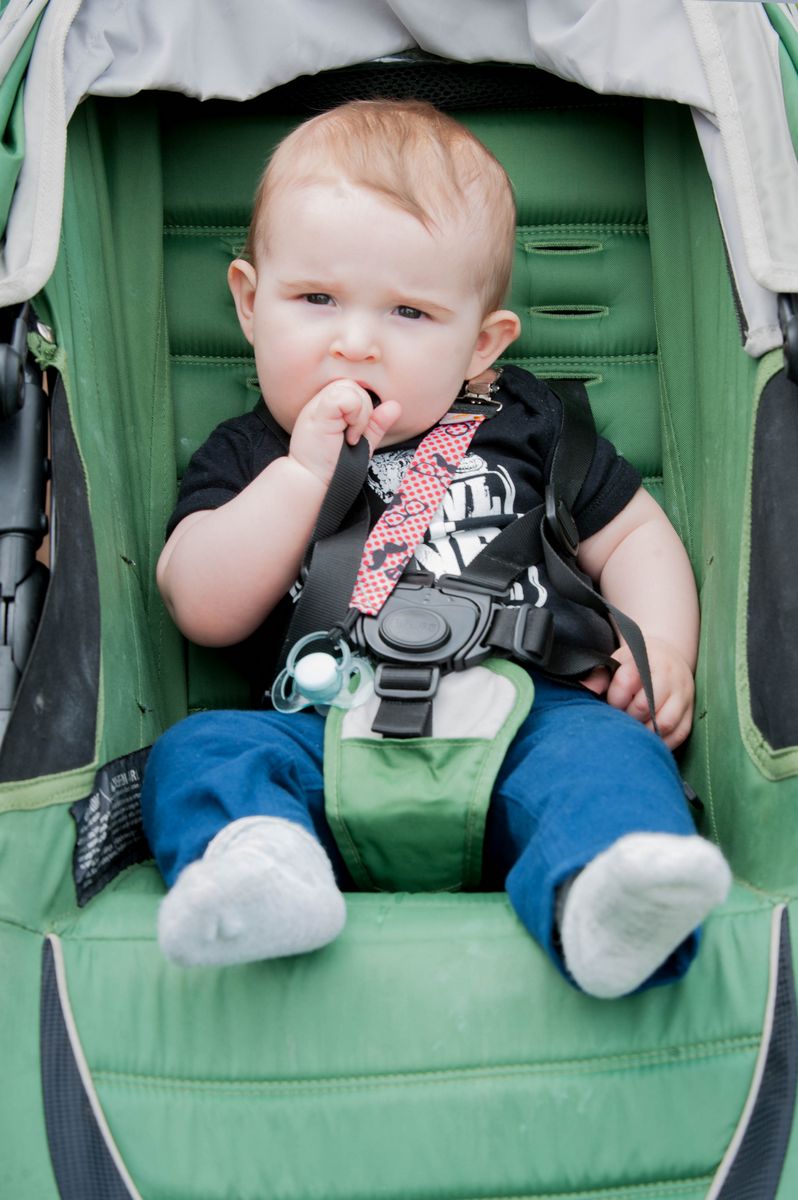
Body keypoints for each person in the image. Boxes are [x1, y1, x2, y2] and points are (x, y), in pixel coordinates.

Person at [141, 99, 730, 998]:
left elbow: (635, 533)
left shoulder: (522, 422)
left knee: (613, 762)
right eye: (315, 299)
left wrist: (661, 647)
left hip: (526, 722)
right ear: (250, 304)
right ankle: (264, 871)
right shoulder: (250, 454)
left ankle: (604, 900)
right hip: (324, 732)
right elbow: (201, 606)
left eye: (410, 313)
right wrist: (302, 477)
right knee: (200, 754)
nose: (356, 342)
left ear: (481, 345)